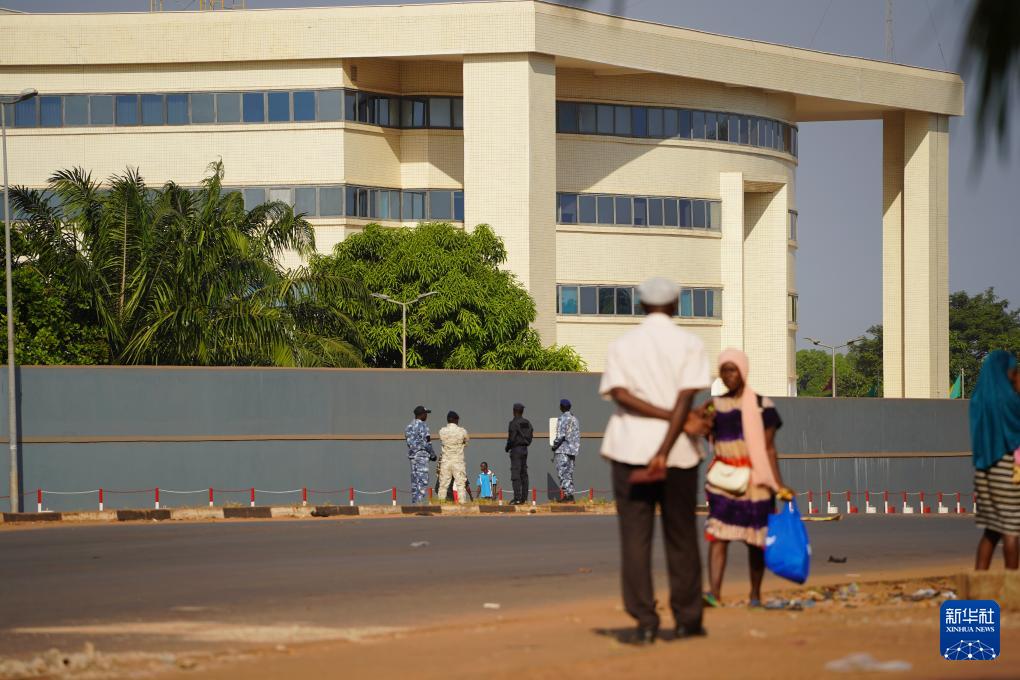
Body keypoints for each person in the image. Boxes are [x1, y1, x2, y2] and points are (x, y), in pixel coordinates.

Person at [599, 276, 712, 645]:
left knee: (635, 538)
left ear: (641, 304)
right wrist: (668, 443)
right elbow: (684, 400)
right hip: (679, 454)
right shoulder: (690, 343)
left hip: (630, 449)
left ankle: (645, 621)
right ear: (676, 304)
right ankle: (687, 619)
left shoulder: (622, 344)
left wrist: (656, 445)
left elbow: (620, 395)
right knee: (682, 536)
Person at [703, 349, 794, 608]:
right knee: (718, 535)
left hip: (756, 481)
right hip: (725, 480)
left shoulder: (763, 405)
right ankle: (714, 594)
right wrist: (702, 416)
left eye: (732, 370)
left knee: (755, 540)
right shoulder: (714, 406)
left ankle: (755, 595)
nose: (728, 375)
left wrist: (778, 484)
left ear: (743, 371)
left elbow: (769, 448)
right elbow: (700, 429)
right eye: (724, 370)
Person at [970, 350, 1020, 571]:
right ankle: (1012, 583)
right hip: (1007, 468)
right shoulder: (1009, 401)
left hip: (984, 470)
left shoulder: (979, 399)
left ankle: (979, 582)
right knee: (1011, 529)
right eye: (1013, 371)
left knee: (991, 530)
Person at [437, 411, 470, 503]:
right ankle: (462, 503)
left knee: (443, 485)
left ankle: (441, 504)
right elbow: (466, 442)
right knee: (460, 484)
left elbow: (442, 440)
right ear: (456, 420)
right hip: (458, 460)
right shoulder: (462, 431)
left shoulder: (442, 431)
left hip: (446, 461)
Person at [404, 405, 435, 505]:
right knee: (423, 480)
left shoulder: (409, 426)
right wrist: (432, 454)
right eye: (425, 414)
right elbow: (427, 442)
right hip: (421, 456)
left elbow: (409, 442)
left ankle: (414, 503)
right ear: (421, 414)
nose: (426, 416)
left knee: (415, 481)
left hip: (413, 457)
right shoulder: (423, 426)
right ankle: (419, 504)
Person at [552, 398, 581, 502]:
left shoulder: (562, 418)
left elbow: (561, 435)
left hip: (563, 449)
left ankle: (567, 495)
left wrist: (554, 446)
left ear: (561, 407)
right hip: (572, 450)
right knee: (569, 473)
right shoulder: (575, 419)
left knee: (562, 473)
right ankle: (570, 495)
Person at [505, 403, 534, 505]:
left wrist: (507, 447)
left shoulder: (513, 423)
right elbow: (531, 434)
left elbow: (512, 438)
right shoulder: (527, 423)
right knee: (524, 474)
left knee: (516, 473)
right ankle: (523, 498)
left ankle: (517, 498)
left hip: (516, 450)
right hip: (525, 449)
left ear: (514, 411)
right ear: (522, 411)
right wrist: (526, 443)